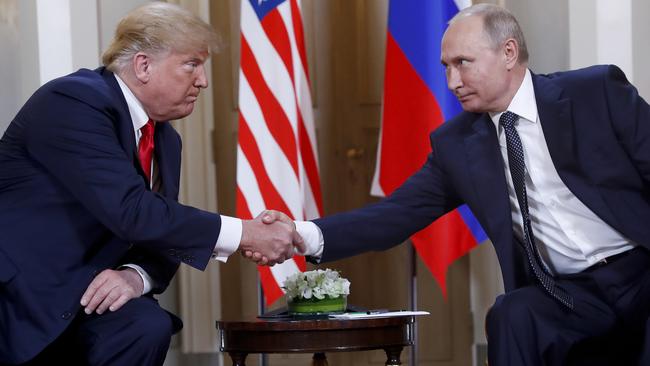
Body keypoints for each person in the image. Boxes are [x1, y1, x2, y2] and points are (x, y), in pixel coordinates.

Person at [254, 3, 650, 365]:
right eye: (446, 66)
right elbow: (395, 215)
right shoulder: (458, 145)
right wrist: (301, 234)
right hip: (570, 295)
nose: (451, 80)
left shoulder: (594, 92)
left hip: (640, 270)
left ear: (508, 53)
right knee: (512, 314)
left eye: (463, 63)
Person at [0, 3, 303, 366]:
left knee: (146, 325)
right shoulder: (74, 101)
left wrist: (136, 277)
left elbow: (162, 230)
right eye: (191, 64)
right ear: (143, 65)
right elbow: (133, 212)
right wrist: (245, 234)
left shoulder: (165, 139)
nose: (203, 80)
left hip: (89, 295)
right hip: (25, 293)